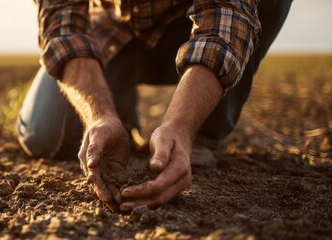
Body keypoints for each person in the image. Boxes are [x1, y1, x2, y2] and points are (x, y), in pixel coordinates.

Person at [16, 0, 292, 212]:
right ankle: (118, 107)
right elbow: (65, 30)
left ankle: (205, 131)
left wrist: (180, 126)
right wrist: (99, 116)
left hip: (191, 21)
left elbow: (227, 17)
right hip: (115, 25)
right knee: (43, 134)